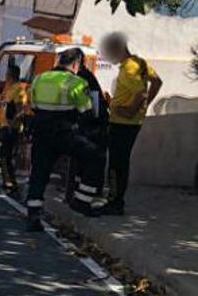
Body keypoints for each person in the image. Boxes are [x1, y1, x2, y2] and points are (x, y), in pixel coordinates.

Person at [24, 48, 106, 232]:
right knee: (96, 156)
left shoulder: (39, 78)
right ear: (76, 64)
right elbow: (87, 113)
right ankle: (81, 201)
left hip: (41, 132)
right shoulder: (76, 82)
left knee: (39, 173)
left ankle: (33, 214)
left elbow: (34, 106)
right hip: (65, 133)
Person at [99, 32, 163, 215]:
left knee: (117, 163)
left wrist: (131, 109)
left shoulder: (129, 69)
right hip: (131, 121)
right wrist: (144, 106)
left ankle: (115, 201)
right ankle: (115, 200)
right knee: (121, 161)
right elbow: (157, 82)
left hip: (123, 122)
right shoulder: (139, 63)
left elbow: (141, 92)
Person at [65, 49, 110, 205]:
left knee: (86, 163)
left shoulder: (81, 78)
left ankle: (80, 198)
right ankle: (78, 196)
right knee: (83, 163)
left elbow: (90, 108)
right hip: (93, 125)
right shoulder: (86, 76)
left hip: (93, 126)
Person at [0, 64, 29, 195]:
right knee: (4, 157)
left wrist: (12, 125)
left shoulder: (18, 89)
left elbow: (20, 110)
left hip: (12, 128)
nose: (6, 77)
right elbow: (2, 103)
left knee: (6, 156)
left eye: (7, 74)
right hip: (5, 126)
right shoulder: (9, 89)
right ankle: (7, 182)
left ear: (11, 75)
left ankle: (10, 184)